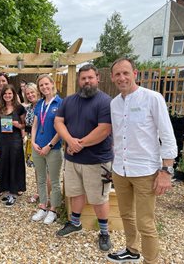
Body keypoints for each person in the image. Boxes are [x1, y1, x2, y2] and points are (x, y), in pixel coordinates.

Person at [107, 58, 177, 263]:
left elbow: (168, 135)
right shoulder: (114, 104)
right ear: (112, 78)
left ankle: (151, 260)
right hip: (120, 169)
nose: (122, 78)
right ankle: (131, 250)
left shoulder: (152, 98)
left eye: (126, 73)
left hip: (145, 171)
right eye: (117, 74)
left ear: (135, 74)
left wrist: (166, 171)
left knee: (146, 222)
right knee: (126, 214)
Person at [54, 64, 113, 251]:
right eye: (83, 78)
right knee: (75, 192)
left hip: (97, 160)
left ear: (97, 78)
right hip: (73, 160)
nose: (87, 81)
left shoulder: (105, 101)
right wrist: (70, 141)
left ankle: (104, 232)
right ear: (79, 80)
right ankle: (75, 223)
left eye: (90, 77)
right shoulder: (69, 100)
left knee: (99, 198)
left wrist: (77, 145)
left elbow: (104, 129)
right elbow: (58, 121)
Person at [30, 74, 63, 225]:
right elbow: (35, 124)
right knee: (41, 179)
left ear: (52, 84)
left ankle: (54, 209)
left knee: (54, 181)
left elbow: (61, 128)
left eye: (46, 84)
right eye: (41, 85)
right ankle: (43, 206)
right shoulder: (40, 104)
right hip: (38, 148)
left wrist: (49, 145)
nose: (44, 87)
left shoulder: (60, 103)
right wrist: (33, 141)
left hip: (53, 148)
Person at [0, 84, 26, 207]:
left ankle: (13, 193)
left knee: (15, 166)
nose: (7, 95)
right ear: (2, 95)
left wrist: (18, 125)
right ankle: (7, 191)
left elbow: (25, 125)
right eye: (5, 93)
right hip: (2, 142)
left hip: (15, 142)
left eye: (10, 93)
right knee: (4, 166)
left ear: (14, 95)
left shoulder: (20, 108)